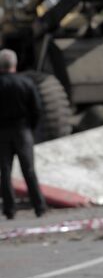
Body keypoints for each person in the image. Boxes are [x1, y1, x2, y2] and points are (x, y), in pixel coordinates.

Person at [0, 49, 47, 219]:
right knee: (29, 170)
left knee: (5, 172)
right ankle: (39, 207)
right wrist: (30, 128)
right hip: (22, 131)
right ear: (15, 64)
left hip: (2, 133)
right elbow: (37, 109)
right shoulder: (26, 83)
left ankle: (9, 209)